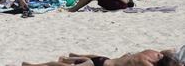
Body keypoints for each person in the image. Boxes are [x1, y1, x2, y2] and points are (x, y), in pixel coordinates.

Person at [22, 48, 185, 66]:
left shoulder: (153, 52)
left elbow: (171, 51)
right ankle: (33, 65)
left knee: (93, 58)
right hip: (99, 65)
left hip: (105, 60)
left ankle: (73, 57)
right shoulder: (147, 65)